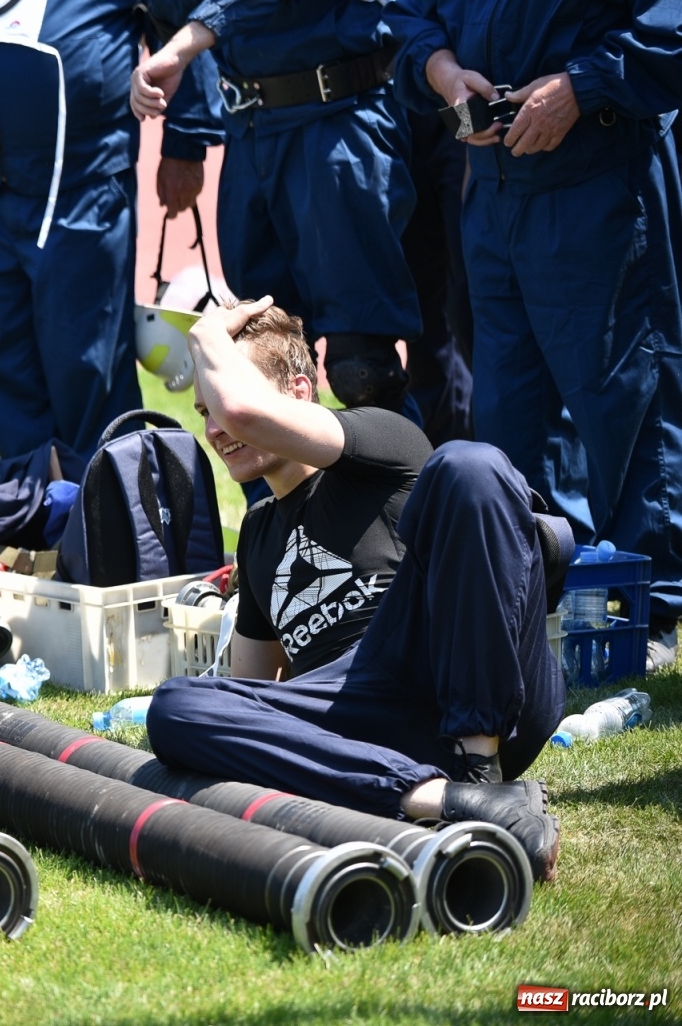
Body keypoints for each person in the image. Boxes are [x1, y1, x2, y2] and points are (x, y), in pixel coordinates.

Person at [147, 298, 565, 881]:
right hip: (361, 717)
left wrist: (208, 333)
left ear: (297, 392)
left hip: (454, 668)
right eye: (204, 412)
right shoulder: (260, 534)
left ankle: (480, 765)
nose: (217, 428)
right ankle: (454, 803)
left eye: (220, 406)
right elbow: (244, 692)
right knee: (177, 706)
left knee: (470, 464)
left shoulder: (381, 444)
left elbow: (244, 410)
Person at [389, 0, 682, 671]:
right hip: (493, 197)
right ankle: (538, 600)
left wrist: (583, 87)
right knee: (512, 416)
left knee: (626, 397)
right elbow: (408, 10)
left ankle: (655, 610)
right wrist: (444, 73)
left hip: (599, 179)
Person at [0, 0, 223, 459]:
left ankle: (109, 519)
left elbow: (176, 13)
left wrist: (187, 138)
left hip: (81, 185)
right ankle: (39, 512)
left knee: (86, 366)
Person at [133, 0, 425, 420]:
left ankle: (398, 492)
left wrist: (186, 43)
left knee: (363, 370)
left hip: (337, 124)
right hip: (250, 134)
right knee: (261, 362)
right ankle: (279, 497)